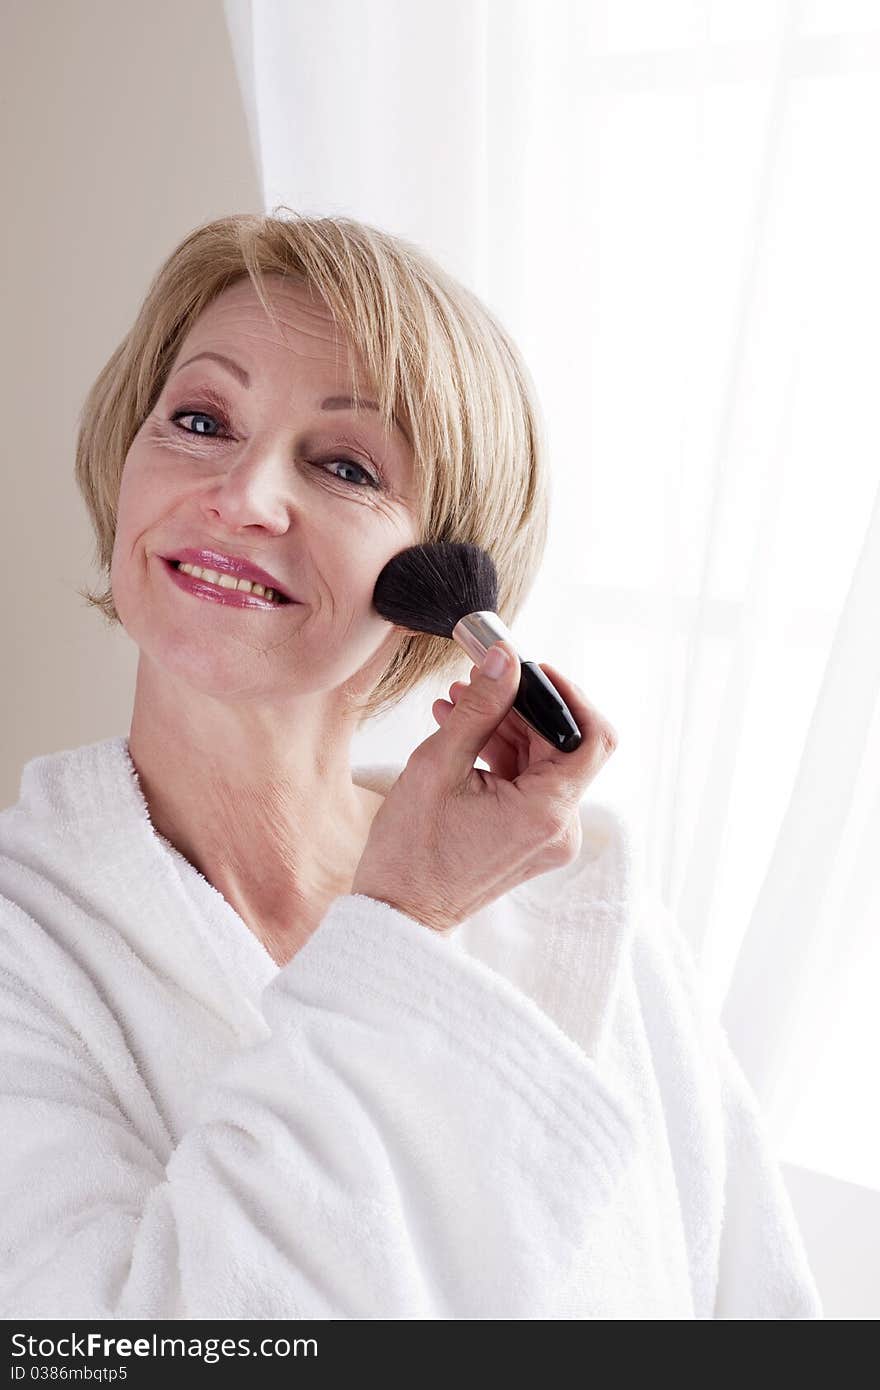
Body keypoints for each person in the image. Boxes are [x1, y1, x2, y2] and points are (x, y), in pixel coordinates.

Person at [0, 211, 823, 1319]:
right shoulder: (29, 945)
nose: (242, 497)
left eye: (343, 464)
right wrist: (400, 919)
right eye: (198, 419)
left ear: (443, 575)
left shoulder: (583, 913)